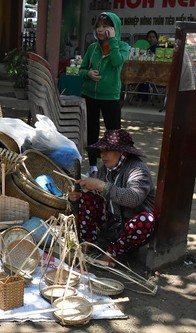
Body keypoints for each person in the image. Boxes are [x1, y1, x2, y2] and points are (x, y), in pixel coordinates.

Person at [68, 129, 156, 266]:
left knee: (146, 220)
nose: (103, 156)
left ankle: (111, 255)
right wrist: (77, 196)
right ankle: (87, 244)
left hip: (131, 228)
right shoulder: (105, 170)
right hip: (111, 224)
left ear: (123, 152)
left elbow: (133, 198)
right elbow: (96, 198)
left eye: (108, 151)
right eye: (102, 151)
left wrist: (102, 186)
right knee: (86, 198)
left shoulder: (138, 170)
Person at [79, 12, 130, 176]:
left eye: (106, 26)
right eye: (98, 26)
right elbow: (81, 69)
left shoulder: (122, 46)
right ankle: (93, 166)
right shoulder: (92, 48)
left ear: (114, 28)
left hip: (110, 97)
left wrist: (113, 40)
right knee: (92, 131)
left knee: (113, 132)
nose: (101, 30)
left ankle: (115, 167)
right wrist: (88, 74)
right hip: (90, 95)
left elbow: (116, 62)